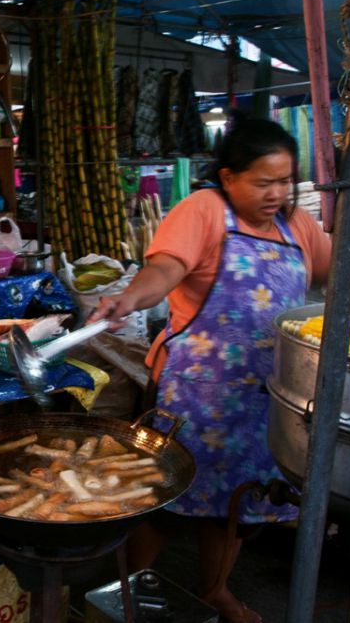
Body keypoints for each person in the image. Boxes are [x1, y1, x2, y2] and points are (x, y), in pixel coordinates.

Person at [89, 119, 331, 623]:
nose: (277, 193)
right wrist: (129, 297)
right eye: (263, 182)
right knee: (164, 495)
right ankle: (124, 590)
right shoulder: (203, 210)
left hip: (265, 394)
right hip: (196, 392)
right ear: (228, 177)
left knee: (236, 506)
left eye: (285, 181)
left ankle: (215, 589)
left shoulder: (297, 226)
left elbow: (337, 271)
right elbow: (164, 270)